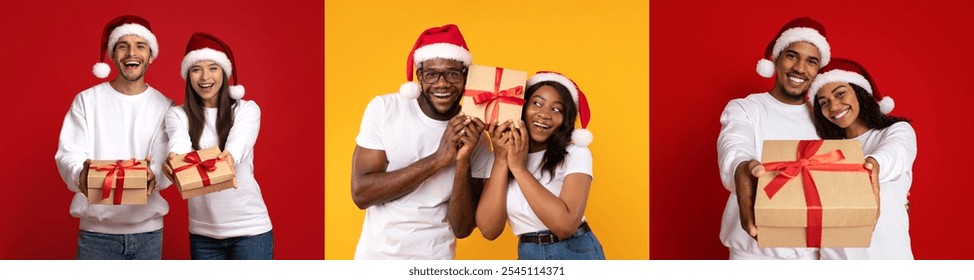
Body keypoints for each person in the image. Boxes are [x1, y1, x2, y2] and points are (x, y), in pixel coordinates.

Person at [350, 24, 491, 259]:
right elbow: (362, 194)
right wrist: (438, 160)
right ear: (419, 77)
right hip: (375, 259)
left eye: (452, 73)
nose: (442, 83)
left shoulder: (476, 136)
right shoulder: (385, 109)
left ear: (466, 77)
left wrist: (463, 161)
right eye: (432, 74)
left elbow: (463, 228)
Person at [55, 15, 173, 260]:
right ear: (112, 54)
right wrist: (82, 175)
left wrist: (155, 175)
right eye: (123, 45)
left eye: (140, 46)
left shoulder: (166, 107)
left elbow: (165, 160)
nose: (132, 53)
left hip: (148, 234)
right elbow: (69, 153)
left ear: (150, 55)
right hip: (96, 234)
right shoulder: (87, 101)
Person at [716, 17, 833, 260]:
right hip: (751, 255)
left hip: (809, 256)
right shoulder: (745, 108)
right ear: (775, 60)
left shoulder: (825, 120)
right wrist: (743, 168)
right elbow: (734, 147)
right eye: (792, 56)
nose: (800, 68)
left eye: (811, 61)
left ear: (818, 71)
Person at [163, 32, 273, 260]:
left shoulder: (246, 109)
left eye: (213, 68)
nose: (205, 76)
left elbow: (240, 140)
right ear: (188, 75)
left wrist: (229, 157)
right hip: (203, 234)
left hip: (250, 231)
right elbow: (179, 142)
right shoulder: (177, 114)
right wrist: (175, 159)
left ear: (224, 72)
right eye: (196, 69)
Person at [476, 71, 605, 260]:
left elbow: (565, 226)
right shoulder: (501, 155)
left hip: (575, 252)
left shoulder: (576, 154)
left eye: (556, 109)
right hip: (529, 254)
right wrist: (502, 160)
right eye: (537, 103)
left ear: (565, 119)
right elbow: (489, 230)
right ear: (522, 106)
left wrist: (519, 169)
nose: (544, 115)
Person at [808, 58, 915, 259]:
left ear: (859, 92)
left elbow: (895, 155)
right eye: (824, 103)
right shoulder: (823, 149)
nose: (834, 106)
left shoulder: (895, 132)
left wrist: (872, 165)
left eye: (840, 93)